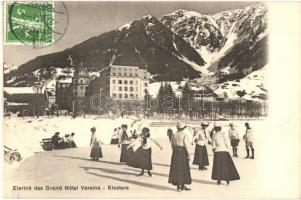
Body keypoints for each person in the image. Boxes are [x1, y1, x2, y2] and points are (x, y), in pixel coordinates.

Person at [168, 122, 192, 192]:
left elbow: (172, 145)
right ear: (184, 128)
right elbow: (187, 146)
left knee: (176, 168)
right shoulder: (184, 135)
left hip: (175, 152)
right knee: (183, 169)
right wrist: (189, 154)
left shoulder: (174, 135)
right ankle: (182, 185)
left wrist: (174, 152)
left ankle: (179, 186)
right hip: (182, 152)